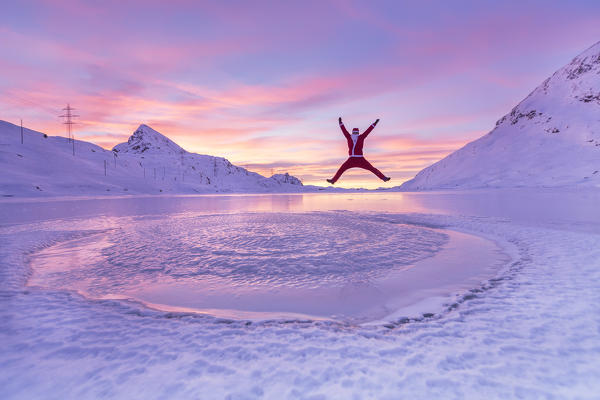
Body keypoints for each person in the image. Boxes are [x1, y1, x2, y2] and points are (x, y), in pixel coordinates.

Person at [327, 117, 391, 184]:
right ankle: (333, 180)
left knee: (372, 169)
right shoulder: (348, 137)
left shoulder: (361, 137)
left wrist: (374, 124)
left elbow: (368, 131)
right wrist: (340, 123)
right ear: (352, 132)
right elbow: (344, 130)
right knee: (341, 169)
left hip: (360, 159)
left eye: (356, 132)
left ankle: (384, 178)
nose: (355, 133)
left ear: (358, 132)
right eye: (354, 132)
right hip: (351, 159)